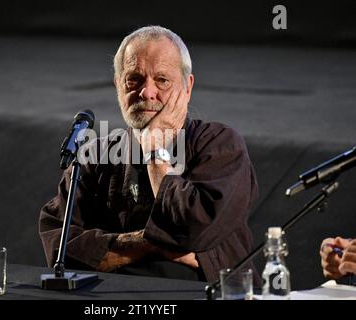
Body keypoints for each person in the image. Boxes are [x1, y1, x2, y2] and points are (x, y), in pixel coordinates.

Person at [39, 26, 259, 282]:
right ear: (117, 85)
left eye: (162, 80)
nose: (147, 92)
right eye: (134, 79)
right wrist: (151, 243)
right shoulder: (96, 154)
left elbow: (193, 231)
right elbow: (59, 246)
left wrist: (154, 150)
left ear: (187, 87)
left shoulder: (219, 144)